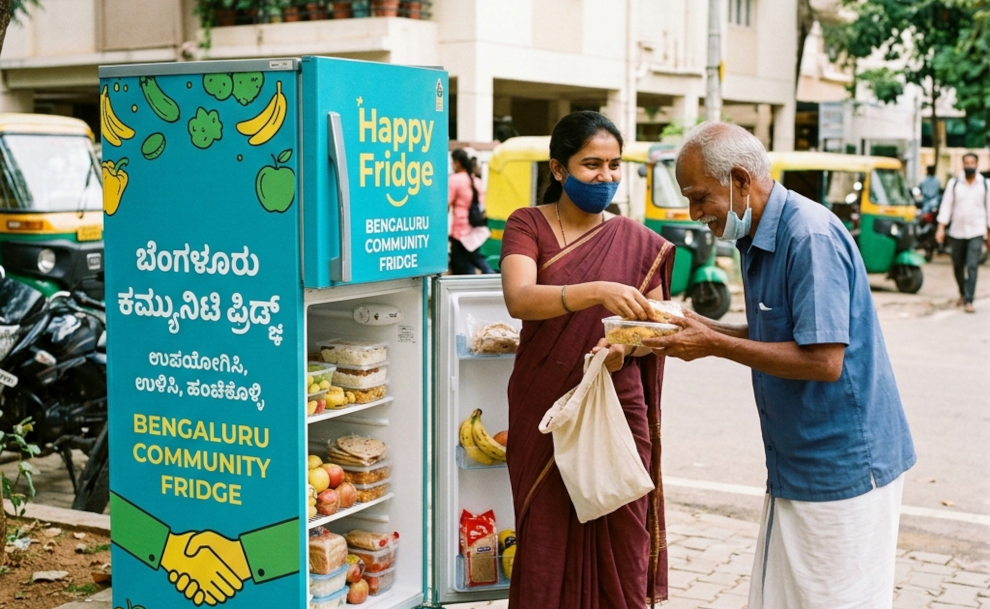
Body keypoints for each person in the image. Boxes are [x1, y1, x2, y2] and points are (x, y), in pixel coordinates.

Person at [646, 122, 916, 609]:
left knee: (833, 600)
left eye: (701, 196)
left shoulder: (808, 237)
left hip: (843, 468)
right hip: (796, 465)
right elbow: (781, 336)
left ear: (741, 180)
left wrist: (713, 344)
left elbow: (823, 359)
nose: (695, 213)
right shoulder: (757, 237)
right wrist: (699, 326)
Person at [499, 110, 674, 608]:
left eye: (615, 164)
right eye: (591, 164)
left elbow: (654, 327)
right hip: (546, 401)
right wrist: (596, 290)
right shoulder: (527, 224)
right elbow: (520, 297)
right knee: (546, 534)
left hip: (618, 403)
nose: (606, 177)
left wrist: (626, 347)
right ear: (558, 169)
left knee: (622, 527)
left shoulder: (638, 241)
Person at [935, 152, 990, 313]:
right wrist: (940, 228)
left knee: (972, 265)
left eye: (972, 163)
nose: (969, 166)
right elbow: (946, 207)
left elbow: (989, 210)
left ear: (977, 165)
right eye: (966, 163)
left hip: (976, 231)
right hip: (957, 231)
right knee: (958, 265)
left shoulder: (985, 185)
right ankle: (962, 292)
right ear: (963, 164)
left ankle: (969, 300)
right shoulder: (954, 184)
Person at [448, 148, 495, 275]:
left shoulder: (455, 180)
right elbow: (482, 205)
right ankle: (491, 276)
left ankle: (490, 277)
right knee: (474, 258)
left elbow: (447, 203)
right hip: (474, 229)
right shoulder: (477, 182)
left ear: (457, 163)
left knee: (462, 264)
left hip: (459, 230)